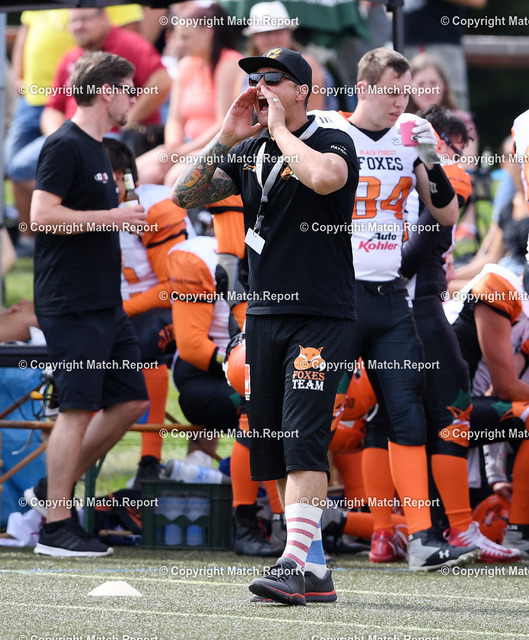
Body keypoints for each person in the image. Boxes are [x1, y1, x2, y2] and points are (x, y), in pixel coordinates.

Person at [171, 47, 359, 605]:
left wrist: (278, 131)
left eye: (272, 78)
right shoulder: (250, 149)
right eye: (253, 78)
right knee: (272, 443)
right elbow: (183, 193)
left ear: (302, 89)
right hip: (264, 314)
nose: (259, 86)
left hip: (319, 314)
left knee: (303, 438)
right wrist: (226, 135)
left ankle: (291, 562)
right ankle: (312, 569)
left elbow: (323, 179)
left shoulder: (332, 137)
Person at [313, 47, 481, 570]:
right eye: (389, 91)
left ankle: (421, 538)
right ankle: (300, 537)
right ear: (363, 88)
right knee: (313, 415)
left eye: (405, 93)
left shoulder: (412, 134)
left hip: (390, 300)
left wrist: (431, 160)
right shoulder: (326, 127)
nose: (398, 102)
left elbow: (446, 214)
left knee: (406, 414)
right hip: (336, 298)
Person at [29, 52, 150, 557]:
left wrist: (117, 216)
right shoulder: (64, 145)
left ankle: (49, 492)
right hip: (71, 302)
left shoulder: (101, 148)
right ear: (107, 91)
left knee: (132, 400)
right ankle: (56, 526)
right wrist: (113, 217)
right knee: (77, 409)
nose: (134, 99)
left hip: (103, 302)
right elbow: (41, 215)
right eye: (129, 89)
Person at [136, 3, 242, 185]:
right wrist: (173, 149)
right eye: (178, 37)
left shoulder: (230, 63)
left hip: (220, 148)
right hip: (185, 145)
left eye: (186, 37)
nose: (179, 44)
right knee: (136, 172)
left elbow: (224, 124)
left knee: (175, 179)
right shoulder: (186, 65)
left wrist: (182, 152)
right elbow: (175, 119)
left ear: (207, 32)